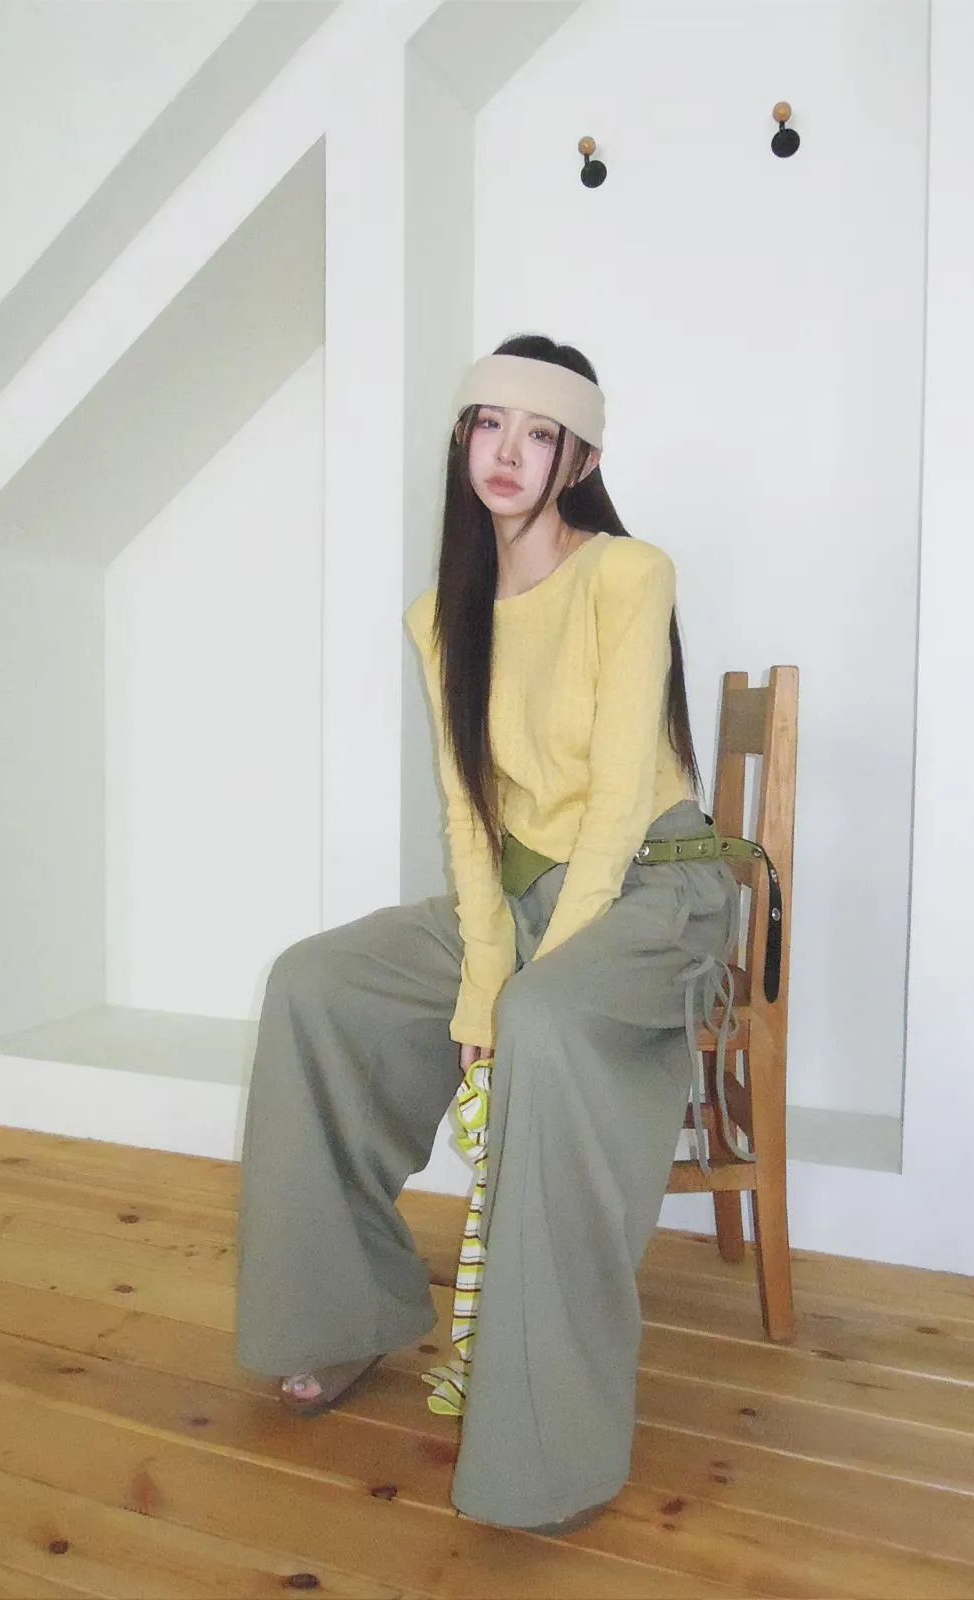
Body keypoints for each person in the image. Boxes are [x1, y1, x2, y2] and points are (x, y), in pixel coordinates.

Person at [235, 333, 739, 1536]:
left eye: (540, 432)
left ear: (582, 460)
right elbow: (471, 823)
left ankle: (545, 1443)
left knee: (545, 1017)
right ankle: (342, 1311)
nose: (508, 451)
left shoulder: (629, 574)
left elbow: (612, 806)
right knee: (316, 982)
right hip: (521, 895)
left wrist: (524, 988)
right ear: (463, 441)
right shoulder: (440, 617)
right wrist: (479, 988)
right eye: (488, 424)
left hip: (655, 886)